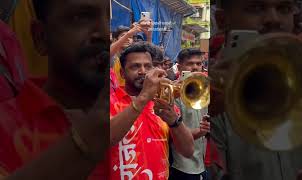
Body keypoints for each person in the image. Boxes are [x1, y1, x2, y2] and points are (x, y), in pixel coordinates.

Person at [0, 0, 115, 179]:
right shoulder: (5, 127)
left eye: (109, 19)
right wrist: (84, 142)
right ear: (41, 37)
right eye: (81, 17)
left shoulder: (126, 113)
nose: (106, 34)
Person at [210, 0, 302, 180]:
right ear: (222, 20)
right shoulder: (211, 94)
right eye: (256, 8)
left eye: (284, 8)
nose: (273, 19)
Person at [110, 41, 195, 180]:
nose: (143, 71)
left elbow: (188, 151)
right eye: (135, 66)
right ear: (122, 73)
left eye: (148, 66)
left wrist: (175, 122)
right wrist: (144, 97)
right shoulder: (110, 102)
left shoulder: (162, 102)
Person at [169, 48, 210, 180]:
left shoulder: (206, 89)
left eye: (198, 64)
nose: (195, 67)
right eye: (190, 64)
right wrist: (201, 131)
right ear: (179, 66)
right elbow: (171, 135)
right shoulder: (171, 93)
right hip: (183, 165)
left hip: (203, 162)